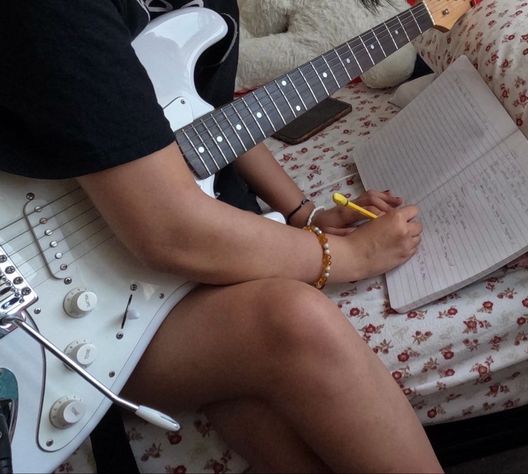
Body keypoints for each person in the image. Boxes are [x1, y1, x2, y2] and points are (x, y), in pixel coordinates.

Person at [0, 1, 443, 472]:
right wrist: (346, 254)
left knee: (265, 406)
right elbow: (170, 232)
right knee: (295, 323)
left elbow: (201, 110)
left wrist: (301, 212)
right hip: (63, 299)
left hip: (195, 235)